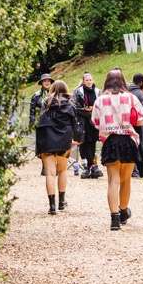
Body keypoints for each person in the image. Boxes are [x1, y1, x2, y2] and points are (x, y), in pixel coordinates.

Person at [91, 69, 143, 231]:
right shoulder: (131, 97)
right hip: (128, 140)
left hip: (110, 140)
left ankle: (114, 218)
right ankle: (123, 212)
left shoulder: (101, 100)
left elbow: (95, 121)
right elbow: (141, 119)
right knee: (126, 180)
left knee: (113, 180)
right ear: (123, 80)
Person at [35, 81, 83, 215]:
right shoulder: (70, 104)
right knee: (62, 171)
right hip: (64, 139)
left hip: (47, 139)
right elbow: (75, 124)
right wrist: (77, 139)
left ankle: (52, 206)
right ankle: (62, 202)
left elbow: (39, 122)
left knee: (50, 173)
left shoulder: (46, 103)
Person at [73, 72, 103, 178]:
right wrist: (85, 110)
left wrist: (93, 110)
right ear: (83, 81)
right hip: (82, 122)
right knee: (83, 143)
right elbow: (74, 106)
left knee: (92, 143)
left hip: (93, 122)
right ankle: (87, 166)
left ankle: (92, 166)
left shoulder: (98, 91)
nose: (89, 81)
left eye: (90, 79)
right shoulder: (78, 92)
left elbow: (101, 106)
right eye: (87, 80)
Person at [128, 72, 143, 177]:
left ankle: (132, 169)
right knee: (139, 146)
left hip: (126, 124)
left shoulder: (126, 92)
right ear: (141, 82)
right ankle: (140, 170)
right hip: (138, 125)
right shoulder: (141, 95)